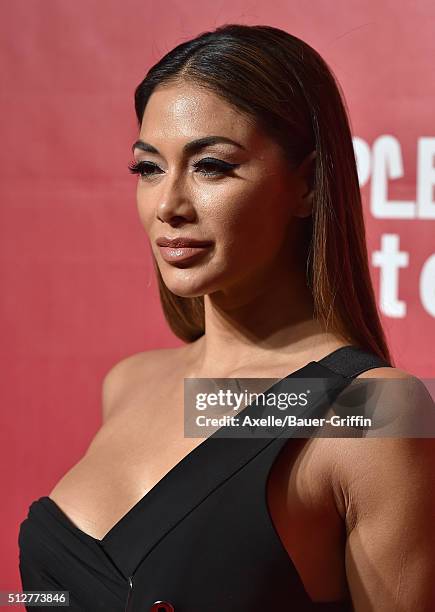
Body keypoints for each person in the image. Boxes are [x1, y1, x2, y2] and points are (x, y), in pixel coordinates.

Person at [18, 23, 435, 611]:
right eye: (148, 168)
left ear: (309, 185)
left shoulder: (371, 413)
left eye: (211, 166)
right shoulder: (130, 383)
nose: (168, 206)